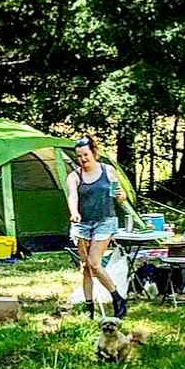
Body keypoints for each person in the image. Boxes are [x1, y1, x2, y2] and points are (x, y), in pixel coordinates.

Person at [66, 135, 128, 318]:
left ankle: (117, 298)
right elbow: (72, 197)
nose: (83, 159)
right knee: (85, 266)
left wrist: (121, 195)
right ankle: (89, 308)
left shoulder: (108, 171)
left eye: (85, 155)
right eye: (79, 156)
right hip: (83, 224)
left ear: (93, 153)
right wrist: (74, 212)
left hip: (105, 221)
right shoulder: (74, 176)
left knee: (94, 263)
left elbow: (121, 195)